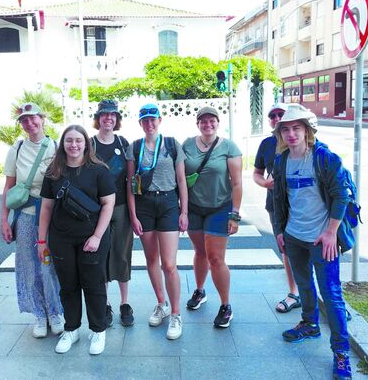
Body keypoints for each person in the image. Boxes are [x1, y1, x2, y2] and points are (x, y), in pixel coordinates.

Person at [272, 104, 353, 380]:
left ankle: (341, 354)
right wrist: (280, 231)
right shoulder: (281, 161)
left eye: (297, 128)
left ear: (307, 130)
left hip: (322, 240)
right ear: (281, 134)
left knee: (331, 295)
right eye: (286, 129)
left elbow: (342, 196)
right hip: (294, 236)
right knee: (304, 285)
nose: (291, 134)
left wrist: (331, 232)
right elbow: (278, 201)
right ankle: (309, 324)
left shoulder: (324, 158)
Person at [38, 125, 116, 355]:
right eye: (69, 140)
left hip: (92, 237)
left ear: (86, 144)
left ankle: (98, 330)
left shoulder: (98, 171)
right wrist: (42, 242)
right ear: (63, 143)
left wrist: (97, 236)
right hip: (61, 238)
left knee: (93, 285)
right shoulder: (54, 172)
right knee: (68, 286)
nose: (74, 145)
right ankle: (71, 329)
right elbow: (46, 208)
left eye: (78, 140)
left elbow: (108, 204)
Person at [0, 102, 63, 338]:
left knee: (49, 266)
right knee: (29, 267)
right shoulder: (16, 149)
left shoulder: (56, 147)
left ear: (42, 119)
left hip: (51, 217)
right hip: (25, 217)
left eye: (33, 118)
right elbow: (8, 186)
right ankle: (39, 313)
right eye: (24, 120)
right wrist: (4, 220)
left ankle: (55, 311)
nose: (30, 123)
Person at [126, 103, 188, 340]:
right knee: (151, 259)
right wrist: (133, 215)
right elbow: (131, 183)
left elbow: (181, 180)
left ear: (160, 120)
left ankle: (175, 313)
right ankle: (161, 303)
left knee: (169, 264)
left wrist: (184, 212)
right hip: (144, 205)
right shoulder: (135, 147)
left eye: (153, 119)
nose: (149, 124)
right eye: (145, 120)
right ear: (140, 123)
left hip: (169, 203)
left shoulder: (172, 144)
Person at [181, 106, 242, 328]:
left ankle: (226, 305)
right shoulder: (187, 144)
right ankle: (199, 291)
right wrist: (183, 210)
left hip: (219, 207)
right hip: (195, 207)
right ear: (197, 124)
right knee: (200, 252)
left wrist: (234, 215)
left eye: (212, 121)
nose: (208, 124)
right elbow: (178, 174)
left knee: (216, 258)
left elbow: (237, 183)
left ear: (218, 122)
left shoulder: (229, 147)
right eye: (203, 121)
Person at [253, 103, 301, 313]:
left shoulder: (302, 142)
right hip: (275, 204)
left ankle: (313, 291)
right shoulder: (266, 144)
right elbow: (257, 172)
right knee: (285, 248)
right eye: (272, 115)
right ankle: (295, 292)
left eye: (280, 114)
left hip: (302, 204)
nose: (276, 118)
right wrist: (264, 183)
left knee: (308, 248)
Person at [91, 99, 134, 327]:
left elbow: (129, 179)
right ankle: (105, 303)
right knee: (102, 256)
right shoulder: (89, 144)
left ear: (117, 119)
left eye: (113, 115)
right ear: (98, 118)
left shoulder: (122, 142)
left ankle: (124, 303)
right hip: (97, 211)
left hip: (121, 208)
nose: (109, 118)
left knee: (122, 253)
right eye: (104, 115)